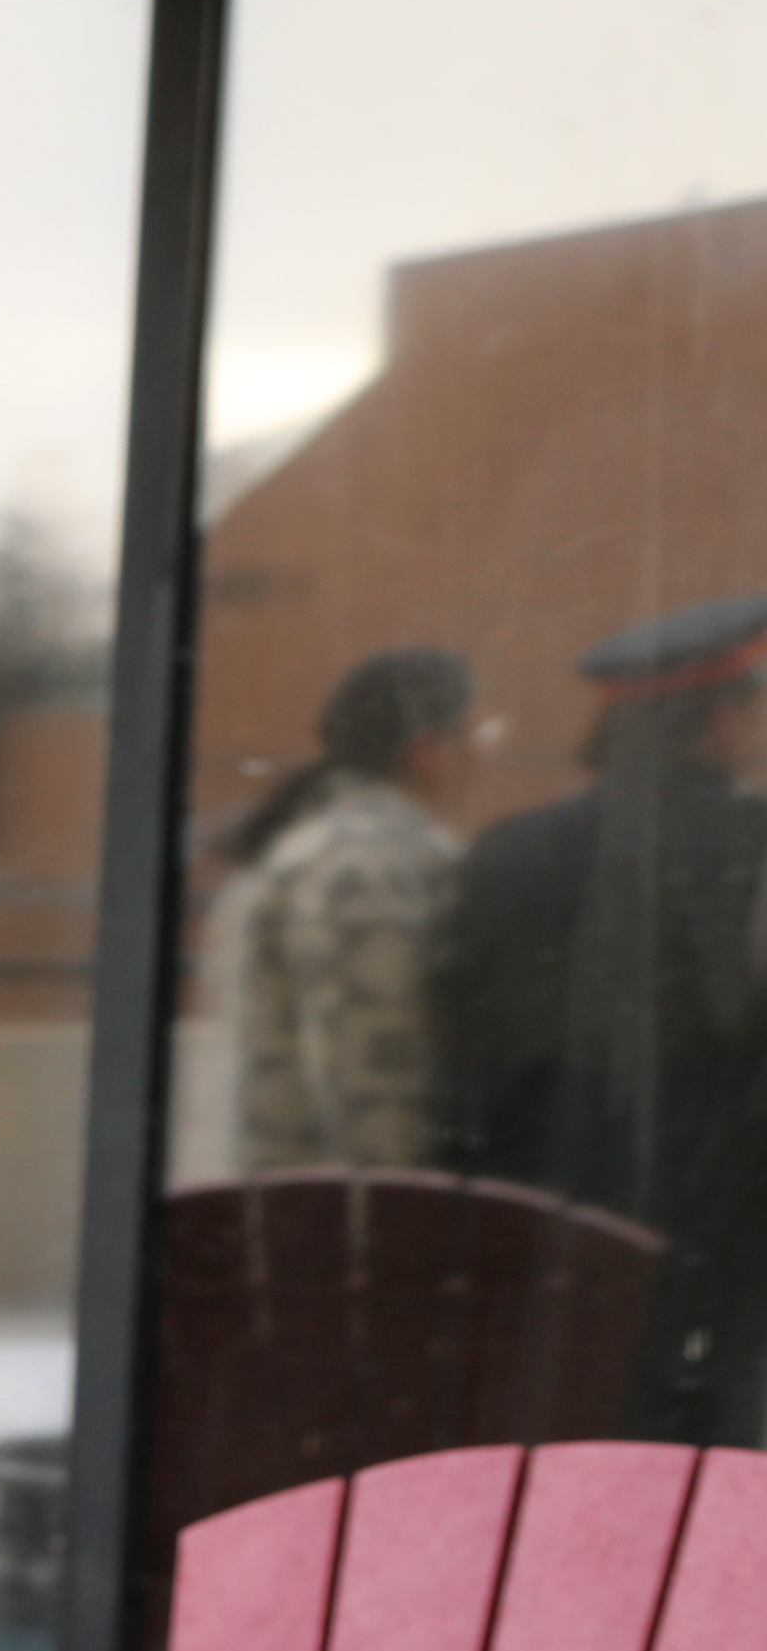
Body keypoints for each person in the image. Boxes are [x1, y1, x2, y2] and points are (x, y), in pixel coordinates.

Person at [434, 587, 767, 1431]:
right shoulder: (749, 842)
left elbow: (464, 1055)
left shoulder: (505, 850)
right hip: (721, 1249)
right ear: (718, 719)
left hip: (539, 1235)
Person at [209, 643, 475, 1172]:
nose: (484, 754)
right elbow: (379, 1088)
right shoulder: (369, 865)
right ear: (426, 752)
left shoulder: (311, 848)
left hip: (291, 1206)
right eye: (475, 734)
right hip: (351, 1222)